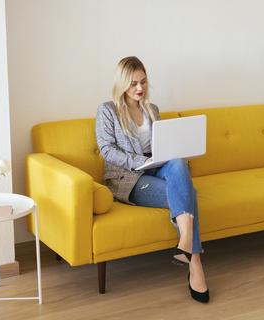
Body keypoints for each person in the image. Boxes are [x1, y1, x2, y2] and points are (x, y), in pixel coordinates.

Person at [95, 56, 209, 303]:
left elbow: (162, 145)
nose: (140, 88)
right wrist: (139, 161)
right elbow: (107, 150)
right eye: (133, 83)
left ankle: (186, 242)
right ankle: (195, 262)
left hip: (156, 165)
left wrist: (166, 154)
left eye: (143, 82)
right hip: (128, 176)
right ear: (122, 83)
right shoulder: (107, 110)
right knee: (187, 193)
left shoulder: (152, 109)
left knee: (179, 164)